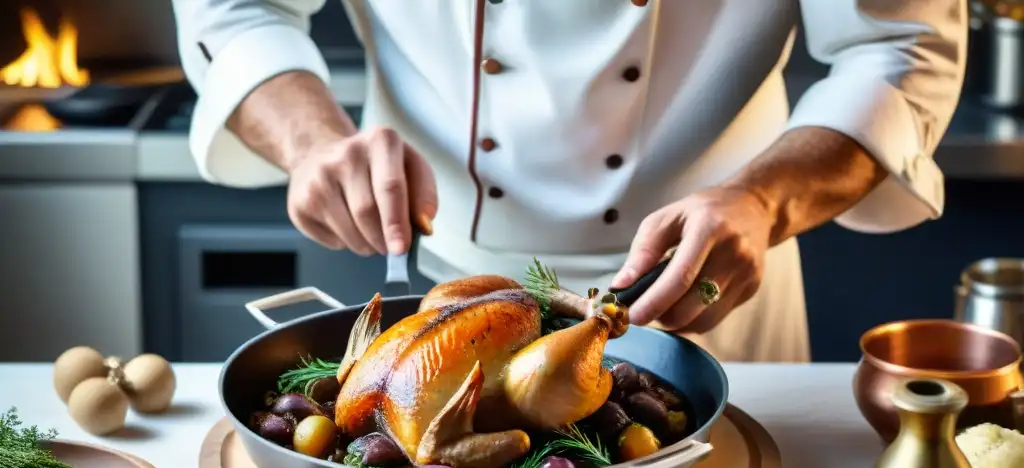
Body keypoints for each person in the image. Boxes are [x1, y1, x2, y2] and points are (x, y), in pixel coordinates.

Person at [171, 0, 966, 362]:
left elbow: (899, 47)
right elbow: (235, 10)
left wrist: (761, 200)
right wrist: (312, 142)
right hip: (448, 290)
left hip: (713, 295)